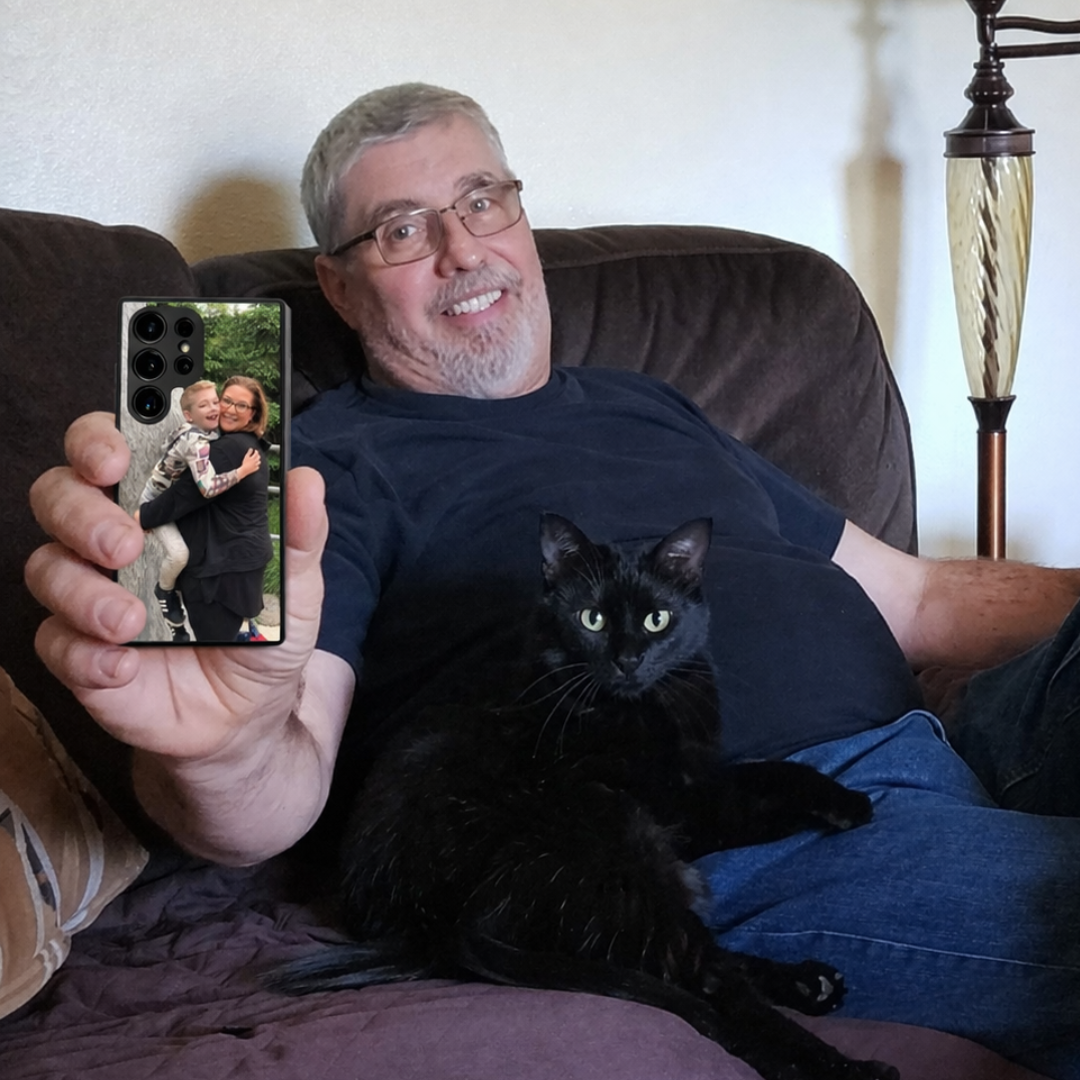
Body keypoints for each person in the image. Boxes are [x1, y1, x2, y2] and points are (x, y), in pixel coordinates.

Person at [23, 84, 1080, 1078]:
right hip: (730, 822)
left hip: (964, 731)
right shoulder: (321, 466)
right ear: (338, 285)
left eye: (483, 200)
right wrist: (220, 752)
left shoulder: (647, 402)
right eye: (402, 229)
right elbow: (273, 782)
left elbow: (922, 599)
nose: (462, 249)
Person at [137, 375, 273, 642]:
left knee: (213, 648)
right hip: (238, 563)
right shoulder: (245, 443)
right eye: (226, 400)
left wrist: (143, 516)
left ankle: (166, 597)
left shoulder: (226, 450)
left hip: (221, 574)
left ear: (253, 414)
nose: (230, 409)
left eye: (241, 405)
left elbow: (184, 495)